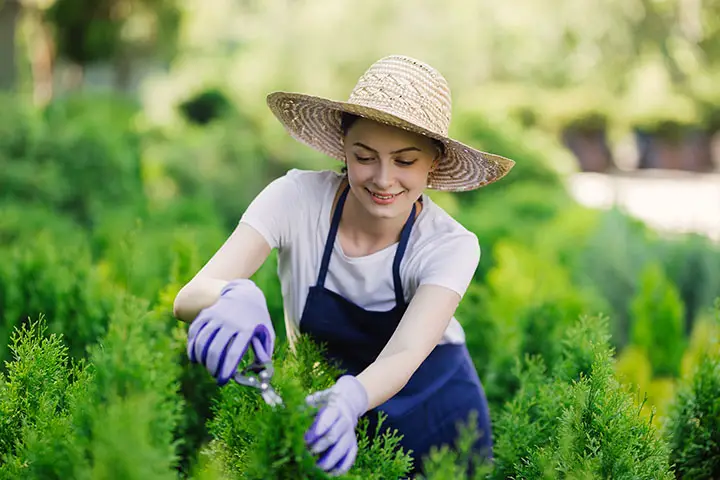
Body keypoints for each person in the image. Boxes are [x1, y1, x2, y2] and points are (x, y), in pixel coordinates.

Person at [174, 54, 515, 477]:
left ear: (435, 164)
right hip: (325, 409)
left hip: (438, 415)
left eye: (405, 161)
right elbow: (189, 296)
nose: (383, 179)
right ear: (344, 148)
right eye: (364, 156)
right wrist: (230, 294)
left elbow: (406, 352)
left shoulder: (450, 246)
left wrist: (352, 397)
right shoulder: (295, 200)